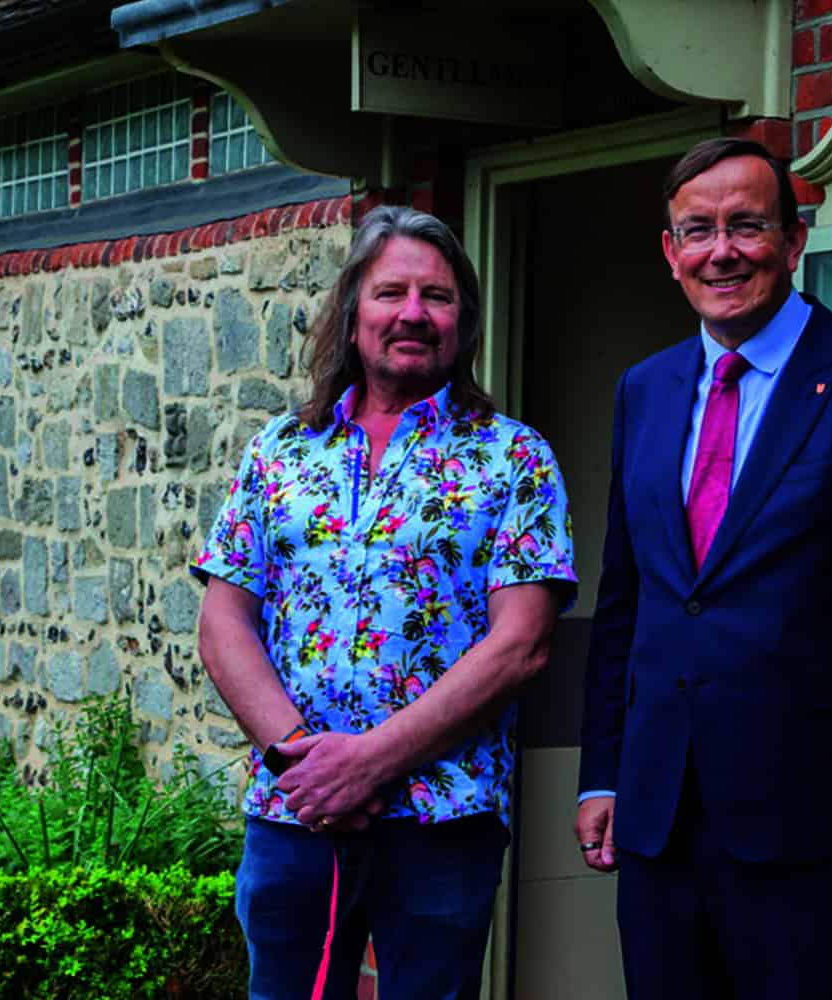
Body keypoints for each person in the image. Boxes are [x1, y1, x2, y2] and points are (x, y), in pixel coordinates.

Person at [575, 137, 832, 998]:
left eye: (748, 226)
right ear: (671, 251)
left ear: (794, 242)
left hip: (815, 827)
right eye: (698, 230)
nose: (723, 250)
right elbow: (629, 602)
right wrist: (604, 772)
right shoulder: (643, 389)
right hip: (660, 820)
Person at [194, 205, 575, 1000]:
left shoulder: (514, 458)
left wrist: (369, 761)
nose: (412, 313)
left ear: (463, 320)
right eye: (390, 291)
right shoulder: (281, 451)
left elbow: (522, 644)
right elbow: (225, 620)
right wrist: (305, 761)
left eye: (436, 297)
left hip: (444, 821)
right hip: (296, 815)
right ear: (353, 311)